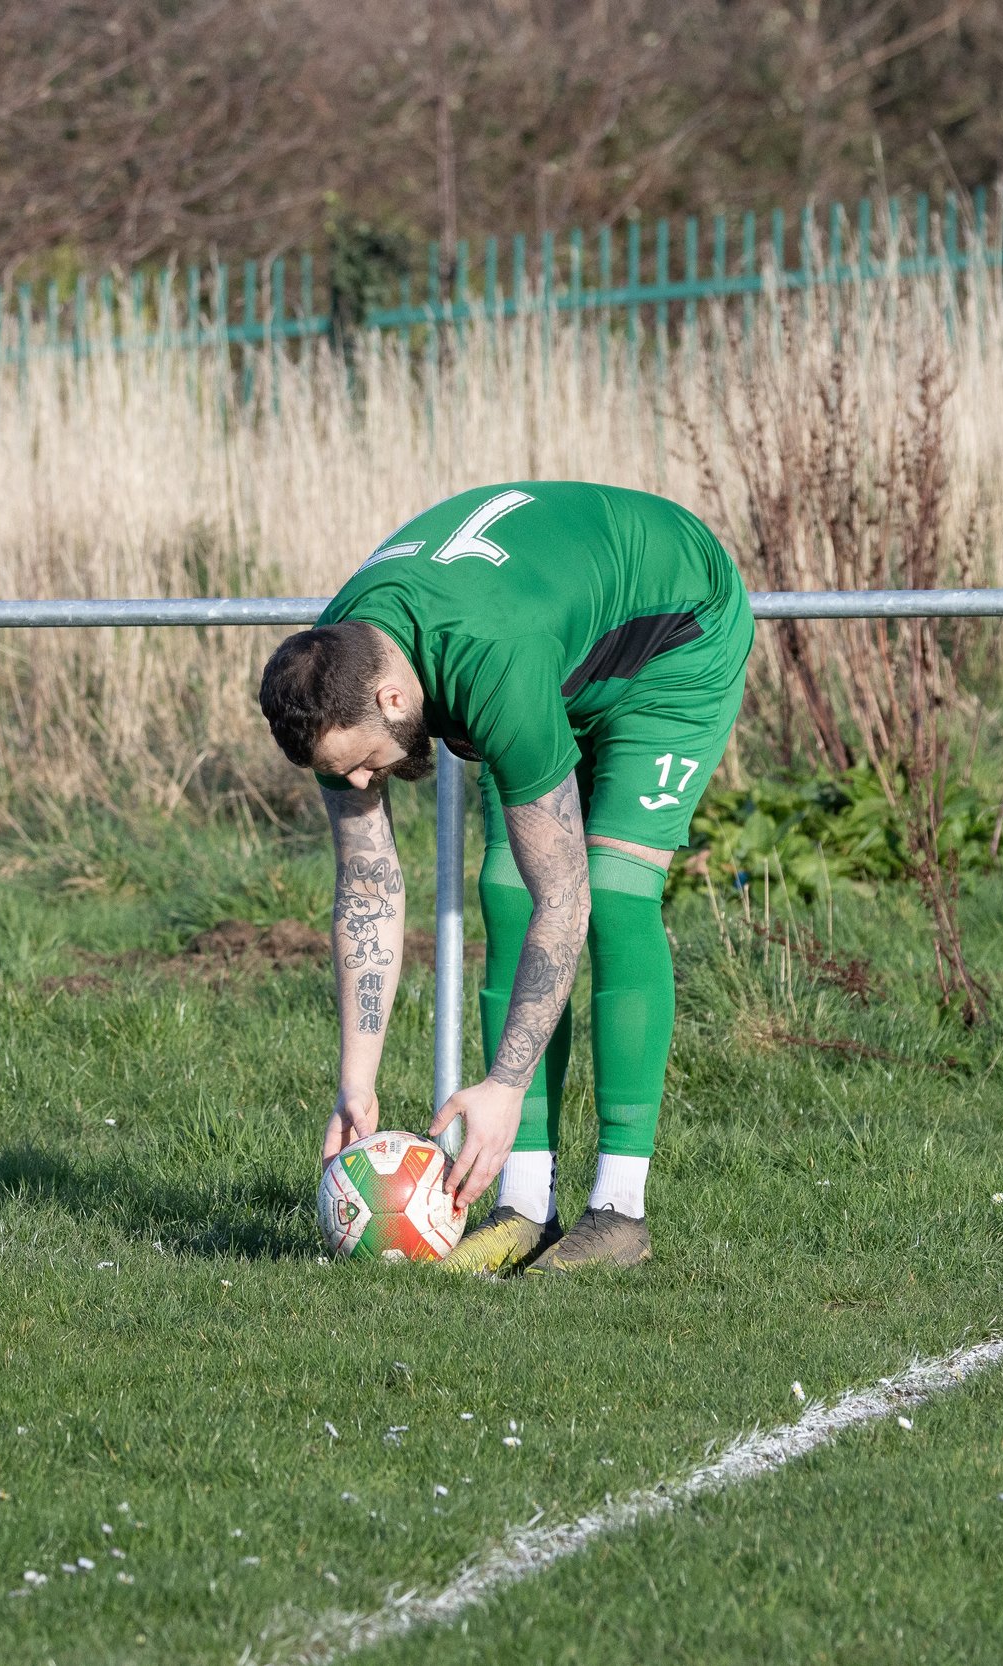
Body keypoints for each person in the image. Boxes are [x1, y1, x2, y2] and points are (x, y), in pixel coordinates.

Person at [257, 481, 753, 1273]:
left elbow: (570, 897)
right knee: (506, 893)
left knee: (612, 893)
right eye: (339, 774)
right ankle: (525, 1204)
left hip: (673, 636)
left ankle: (620, 1209)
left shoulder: (487, 664)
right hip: (552, 643)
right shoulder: (335, 674)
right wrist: (357, 1083)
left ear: (393, 696)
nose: (358, 786)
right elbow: (368, 888)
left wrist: (505, 1084)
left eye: (360, 766)